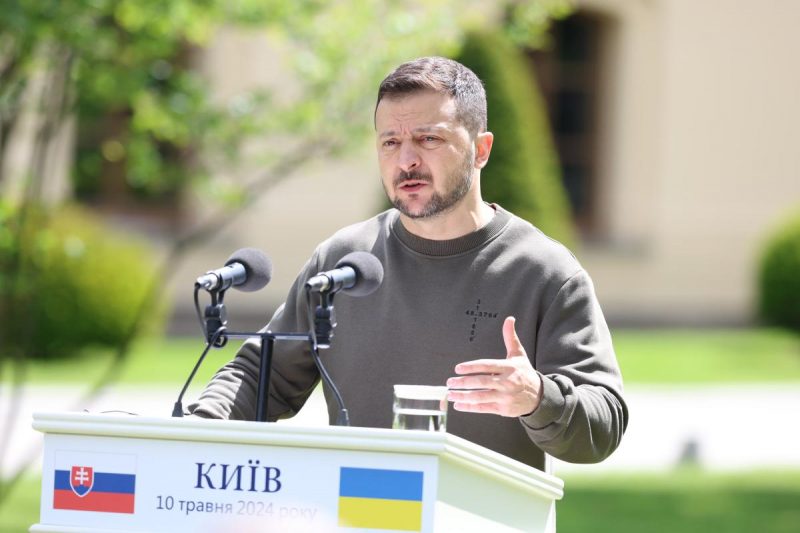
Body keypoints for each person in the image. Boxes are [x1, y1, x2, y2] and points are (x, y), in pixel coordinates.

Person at [190, 56, 627, 471]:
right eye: (391, 142)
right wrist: (195, 428)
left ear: (481, 150)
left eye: (428, 139)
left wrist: (538, 398)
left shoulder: (544, 271)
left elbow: (602, 427)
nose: (406, 161)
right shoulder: (344, 261)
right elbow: (260, 377)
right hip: (358, 509)